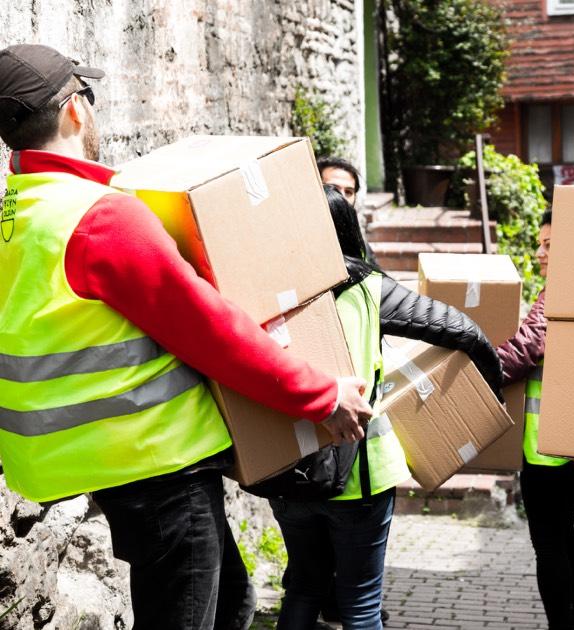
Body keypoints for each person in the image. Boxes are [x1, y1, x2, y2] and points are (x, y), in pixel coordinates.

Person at [0, 44, 372, 629]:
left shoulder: (16, 214)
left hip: (95, 465)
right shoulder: (99, 217)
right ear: (75, 111)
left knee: (233, 604)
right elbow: (211, 330)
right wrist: (321, 396)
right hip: (155, 465)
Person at [269, 185, 502, 630]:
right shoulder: (368, 290)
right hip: (359, 478)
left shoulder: (264, 294)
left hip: (287, 473)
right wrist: (489, 393)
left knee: (303, 588)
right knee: (360, 605)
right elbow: (463, 330)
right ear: (346, 231)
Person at [495, 210, 574, 630]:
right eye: (540, 244)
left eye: (550, 246)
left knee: (549, 544)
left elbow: (523, 351)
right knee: (563, 534)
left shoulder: (562, 291)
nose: (539, 253)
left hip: (544, 449)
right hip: (566, 443)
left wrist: (475, 369)